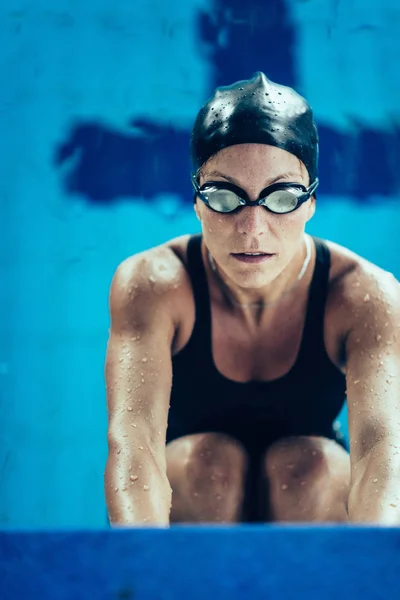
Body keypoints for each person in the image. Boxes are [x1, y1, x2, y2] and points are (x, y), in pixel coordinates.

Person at [104, 72, 400, 526]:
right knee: (210, 465)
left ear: (311, 202)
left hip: (313, 504)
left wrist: (376, 577)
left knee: (309, 466)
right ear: (198, 202)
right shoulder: (156, 284)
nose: (252, 229)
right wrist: (140, 569)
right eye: (225, 196)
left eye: (281, 197)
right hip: (194, 504)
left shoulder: (364, 295)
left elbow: (383, 455)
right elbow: (134, 443)